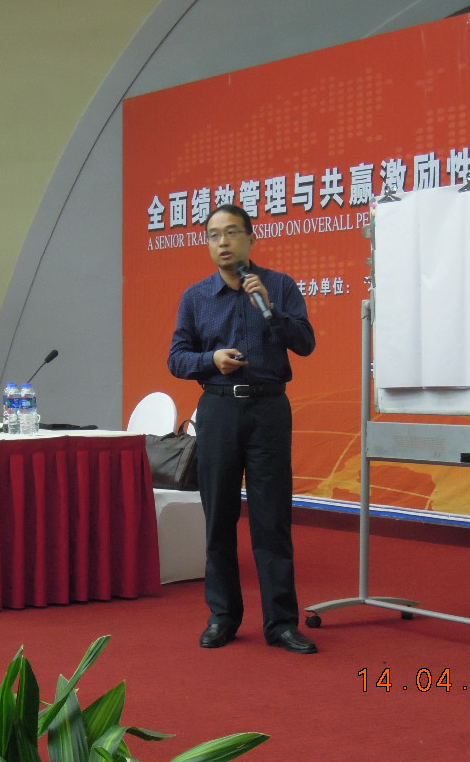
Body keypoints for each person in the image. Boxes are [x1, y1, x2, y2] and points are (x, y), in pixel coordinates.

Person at [168, 204, 317, 653]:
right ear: (208, 245)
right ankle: (223, 616)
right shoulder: (196, 297)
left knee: (273, 519)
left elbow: (305, 343)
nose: (223, 242)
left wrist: (271, 311)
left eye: (232, 232)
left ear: (251, 239)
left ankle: (281, 623)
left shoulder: (279, 286)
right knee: (219, 518)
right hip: (218, 410)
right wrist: (209, 360)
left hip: (268, 410)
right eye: (214, 235)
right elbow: (177, 359)